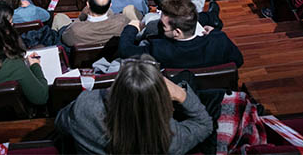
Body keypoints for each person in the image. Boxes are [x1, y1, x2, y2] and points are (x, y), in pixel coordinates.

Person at [55, 55, 213, 155]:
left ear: (116, 85)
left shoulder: (84, 105)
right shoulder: (169, 138)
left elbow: (60, 124)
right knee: (188, 78)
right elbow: (205, 124)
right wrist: (180, 94)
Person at [118, 0, 244, 68]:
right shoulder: (219, 39)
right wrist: (215, 33)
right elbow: (238, 61)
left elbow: (125, 50)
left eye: (163, 26)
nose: (159, 26)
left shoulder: (160, 48)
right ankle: (213, 16)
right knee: (206, 17)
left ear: (177, 32)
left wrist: (131, 28)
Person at [55, 0, 131, 47]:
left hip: (81, 64)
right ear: (110, 5)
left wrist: (83, 14)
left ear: (88, 5)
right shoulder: (122, 21)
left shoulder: (75, 30)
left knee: (59, 17)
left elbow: (64, 38)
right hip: (111, 58)